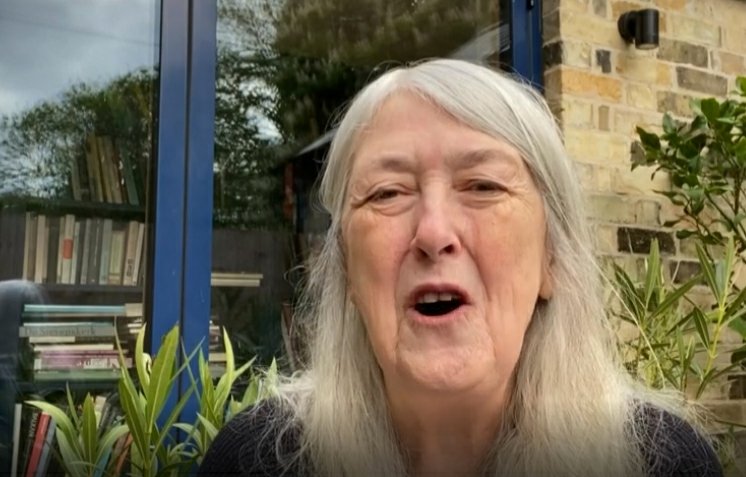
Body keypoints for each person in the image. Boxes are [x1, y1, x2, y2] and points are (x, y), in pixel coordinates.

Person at [198, 59, 722, 476]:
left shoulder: (663, 463)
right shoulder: (255, 462)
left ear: (552, 258)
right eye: (387, 193)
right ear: (347, 272)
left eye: (483, 186)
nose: (433, 233)